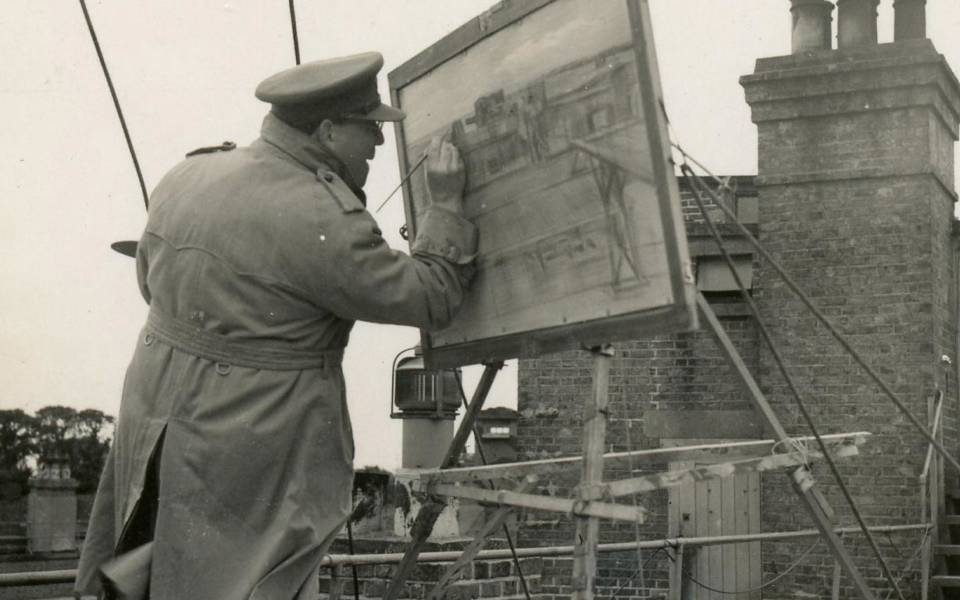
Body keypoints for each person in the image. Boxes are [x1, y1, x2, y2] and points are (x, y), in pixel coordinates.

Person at [75, 52, 476, 600]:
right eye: (370, 128)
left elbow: (150, 281)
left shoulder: (189, 172)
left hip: (157, 417)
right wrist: (446, 205)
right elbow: (432, 298)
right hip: (249, 442)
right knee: (241, 580)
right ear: (329, 129)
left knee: (146, 560)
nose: (380, 144)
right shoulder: (322, 216)